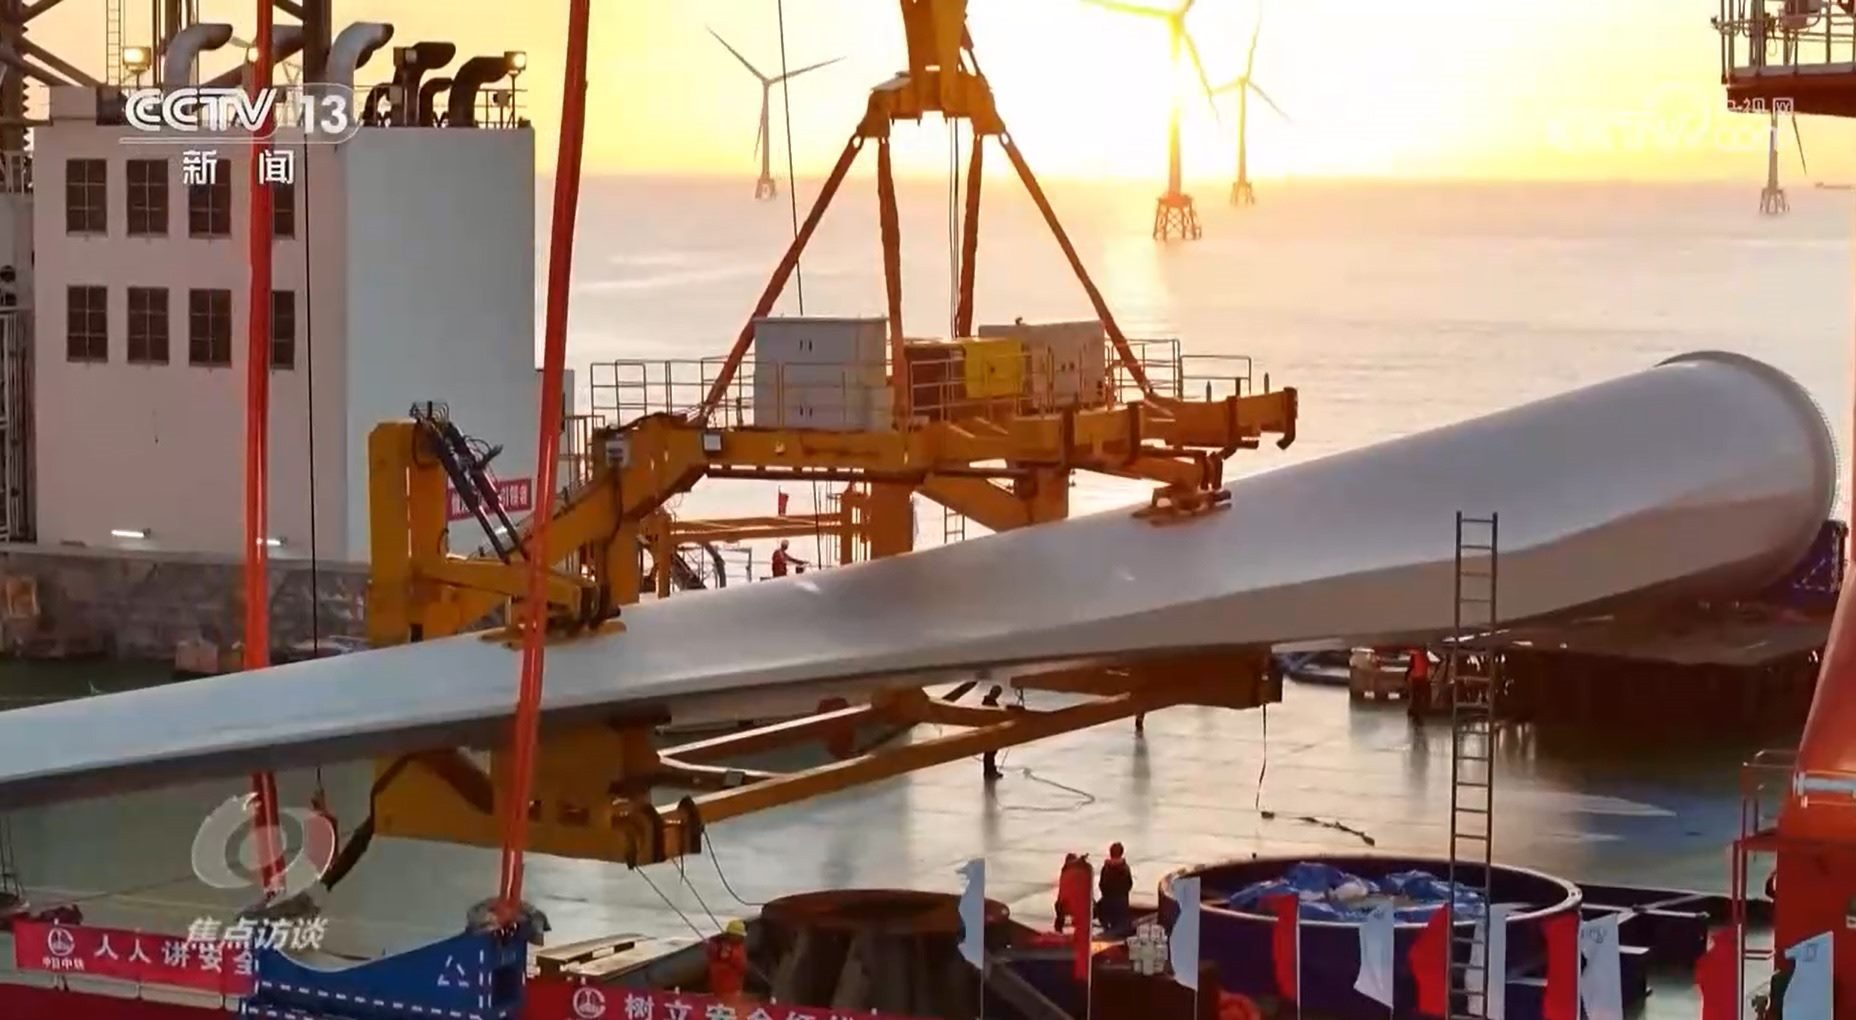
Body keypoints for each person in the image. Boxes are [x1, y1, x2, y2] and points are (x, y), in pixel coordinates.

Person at [706, 918, 750, 999]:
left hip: (731, 991)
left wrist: (729, 953)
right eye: (739, 935)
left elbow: (742, 966)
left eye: (741, 936)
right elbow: (711, 955)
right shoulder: (721, 945)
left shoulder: (738, 949)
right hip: (716, 988)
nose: (741, 937)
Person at [1096, 842, 1133, 935]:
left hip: (1107, 901)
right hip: (1121, 902)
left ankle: (1106, 928)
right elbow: (1129, 884)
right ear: (1121, 853)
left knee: (1100, 907)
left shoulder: (1105, 868)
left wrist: (1106, 895)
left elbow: (1101, 885)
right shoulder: (1125, 868)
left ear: (1110, 853)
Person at [981, 685, 1005, 781]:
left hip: (988, 731)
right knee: (990, 753)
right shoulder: (991, 703)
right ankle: (990, 771)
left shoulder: (986, 702)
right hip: (990, 731)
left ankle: (989, 771)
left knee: (989, 752)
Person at [1406, 647, 1431, 720]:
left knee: (1415, 696)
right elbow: (1427, 666)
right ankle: (1417, 711)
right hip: (1422, 678)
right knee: (1419, 696)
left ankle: (1413, 711)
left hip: (1416, 678)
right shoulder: (1424, 656)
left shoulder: (1415, 655)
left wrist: (1406, 675)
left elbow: (1411, 666)